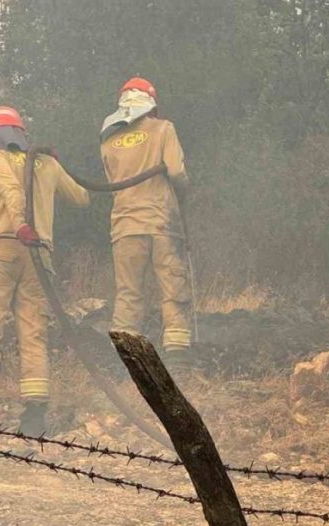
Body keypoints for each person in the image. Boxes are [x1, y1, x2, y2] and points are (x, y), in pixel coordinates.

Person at [0, 105, 90, 435]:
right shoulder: (45, 162)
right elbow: (82, 198)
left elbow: (11, 191)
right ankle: (34, 417)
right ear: (22, 131)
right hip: (39, 253)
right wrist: (56, 167)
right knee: (34, 331)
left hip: (4, 246)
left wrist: (20, 224)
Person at [100, 76, 194, 370]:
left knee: (129, 293)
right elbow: (177, 172)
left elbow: (111, 181)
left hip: (125, 226)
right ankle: (177, 357)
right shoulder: (163, 128)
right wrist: (185, 195)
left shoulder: (109, 140)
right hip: (161, 221)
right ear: (151, 102)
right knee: (172, 287)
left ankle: (125, 361)